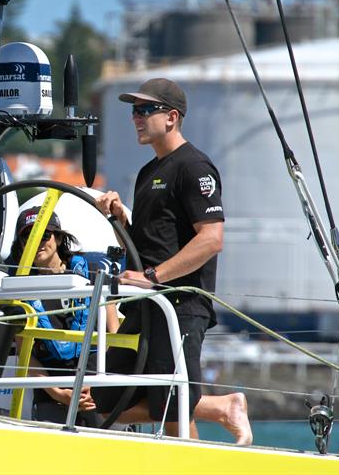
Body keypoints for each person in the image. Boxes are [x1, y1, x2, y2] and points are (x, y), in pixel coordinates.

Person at [93, 78, 251, 444]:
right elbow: (143, 246)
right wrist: (118, 219)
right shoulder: (150, 173)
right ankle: (222, 407)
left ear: (172, 117)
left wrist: (153, 277)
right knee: (107, 397)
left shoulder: (194, 167)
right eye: (134, 110)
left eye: (145, 110)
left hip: (179, 304)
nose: (136, 117)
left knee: (173, 409)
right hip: (145, 302)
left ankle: (212, 423)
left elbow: (212, 239)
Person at [10, 207, 119, 427]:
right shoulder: (17, 286)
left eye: (44, 235)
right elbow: (25, 354)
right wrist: (58, 393)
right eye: (28, 236)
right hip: (51, 385)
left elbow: (114, 333)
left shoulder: (93, 272)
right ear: (21, 244)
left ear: (58, 238)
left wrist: (92, 383)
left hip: (97, 378)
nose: (38, 242)